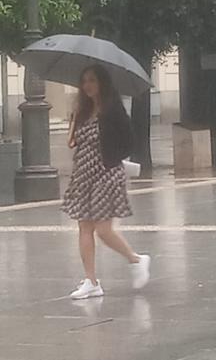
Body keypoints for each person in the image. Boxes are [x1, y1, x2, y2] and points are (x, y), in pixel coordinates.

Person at [62, 64, 151, 300]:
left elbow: (130, 142)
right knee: (84, 226)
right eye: (85, 81)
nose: (88, 86)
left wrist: (111, 158)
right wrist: (74, 119)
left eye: (92, 80)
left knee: (103, 229)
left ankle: (136, 259)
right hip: (83, 172)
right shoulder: (82, 110)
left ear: (102, 82)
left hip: (107, 172)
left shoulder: (113, 110)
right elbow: (71, 142)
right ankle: (91, 281)